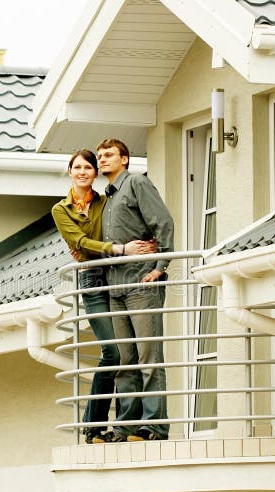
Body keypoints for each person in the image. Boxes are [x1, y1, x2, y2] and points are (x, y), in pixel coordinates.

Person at [51, 148, 156, 444]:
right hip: (93, 278)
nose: (83, 172)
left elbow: (113, 230)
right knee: (112, 353)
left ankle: (124, 426)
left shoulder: (105, 201)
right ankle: (93, 426)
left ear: (95, 172)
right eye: (77, 167)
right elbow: (79, 241)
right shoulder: (61, 209)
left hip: (116, 276)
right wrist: (115, 249)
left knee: (126, 354)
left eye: (88, 167)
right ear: (70, 172)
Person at [93, 138, 174, 443]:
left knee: (148, 357)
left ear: (124, 159)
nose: (103, 160)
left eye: (109, 155)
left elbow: (163, 222)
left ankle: (154, 427)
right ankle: (125, 427)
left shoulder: (137, 183)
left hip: (142, 283)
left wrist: (160, 265)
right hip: (116, 287)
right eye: (100, 156)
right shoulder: (106, 199)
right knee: (126, 360)